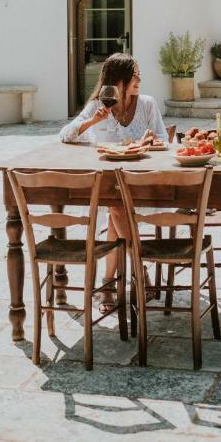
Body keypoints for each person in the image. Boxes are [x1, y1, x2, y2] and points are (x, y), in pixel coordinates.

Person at [60, 53, 168, 311]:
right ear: (118, 81)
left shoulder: (147, 104)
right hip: (109, 185)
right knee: (114, 205)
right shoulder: (100, 105)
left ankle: (109, 283)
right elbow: (65, 136)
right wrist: (93, 121)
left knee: (114, 207)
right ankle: (137, 272)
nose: (140, 79)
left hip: (141, 185)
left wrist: (153, 140)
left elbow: (166, 140)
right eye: (135, 74)